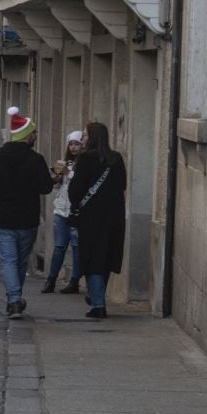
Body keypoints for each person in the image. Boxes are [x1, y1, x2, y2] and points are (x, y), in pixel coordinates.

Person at [0, 108, 54, 319]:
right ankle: (15, 298)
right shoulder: (36, 159)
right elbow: (46, 187)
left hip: (2, 217)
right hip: (27, 218)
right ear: (26, 136)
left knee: (9, 260)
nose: (36, 137)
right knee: (20, 260)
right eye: (34, 133)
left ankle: (14, 299)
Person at [68, 120, 128, 319]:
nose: (82, 139)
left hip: (92, 218)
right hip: (114, 217)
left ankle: (98, 304)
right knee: (106, 258)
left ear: (93, 137)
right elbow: (123, 185)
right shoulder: (116, 159)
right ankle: (97, 296)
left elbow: (75, 190)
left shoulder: (86, 160)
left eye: (84, 135)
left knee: (93, 259)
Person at [44, 130, 86, 295]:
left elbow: (81, 182)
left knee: (76, 247)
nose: (74, 147)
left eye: (77, 144)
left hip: (76, 211)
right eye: (71, 144)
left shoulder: (84, 163)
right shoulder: (66, 163)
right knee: (59, 247)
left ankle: (74, 281)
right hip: (61, 210)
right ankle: (51, 280)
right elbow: (59, 187)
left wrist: (69, 174)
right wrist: (56, 177)